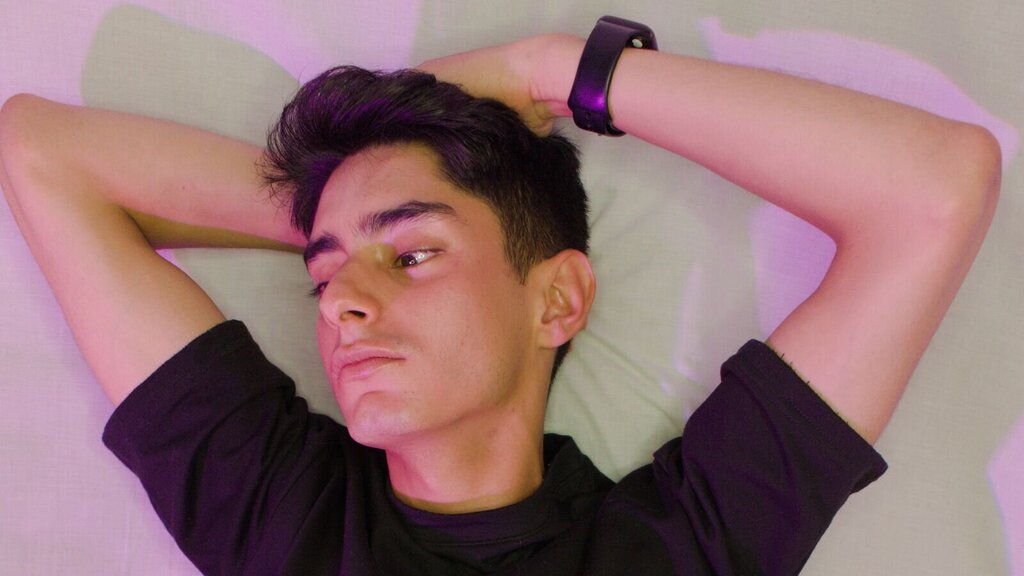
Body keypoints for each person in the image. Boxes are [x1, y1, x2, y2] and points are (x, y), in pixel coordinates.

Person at [0, 18, 999, 576]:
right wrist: (342, 195)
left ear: (556, 300)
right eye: (322, 272)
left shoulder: (679, 549)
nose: (338, 306)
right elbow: (39, 152)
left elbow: (935, 191)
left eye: (410, 257)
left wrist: (553, 70)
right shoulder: (282, 511)